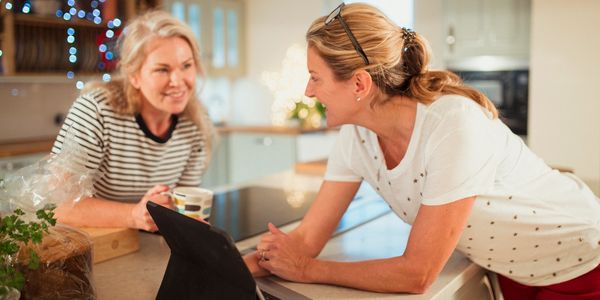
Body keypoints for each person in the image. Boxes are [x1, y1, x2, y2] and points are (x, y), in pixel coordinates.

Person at [244, 3, 600, 298]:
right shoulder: (357, 138)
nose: (308, 91)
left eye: (315, 77)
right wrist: (232, 265)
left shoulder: (452, 123)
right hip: (513, 268)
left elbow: (417, 273)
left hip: (582, 259)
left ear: (359, 84)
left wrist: (307, 270)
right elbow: (306, 239)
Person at [51, 10, 213, 232]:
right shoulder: (97, 111)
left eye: (186, 65)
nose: (178, 81)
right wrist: (134, 215)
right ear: (134, 76)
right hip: (95, 247)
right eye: (162, 70)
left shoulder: (194, 123)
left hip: (149, 249)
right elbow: (55, 204)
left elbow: (181, 207)